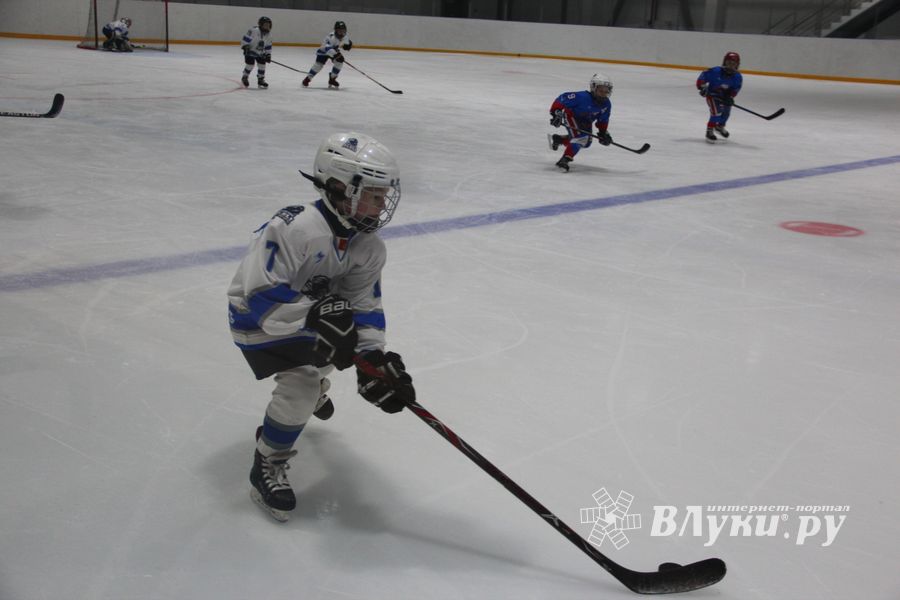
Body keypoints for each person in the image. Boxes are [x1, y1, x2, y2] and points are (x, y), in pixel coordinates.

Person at [227, 132, 415, 522]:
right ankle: (268, 461)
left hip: (308, 318)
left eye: (384, 196)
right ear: (339, 187)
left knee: (341, 340)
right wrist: (317, 317)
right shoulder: (294, 226)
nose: (382, 205)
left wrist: (373, 358)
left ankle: (313, 390)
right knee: (302, 384)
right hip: (257, 322)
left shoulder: (368, 247)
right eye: (374, 195)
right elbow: (261, 297)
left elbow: (364, 308)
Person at [547, 73, 614, 172]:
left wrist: (603, 133)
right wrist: (556, 113)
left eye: (606, 90)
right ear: (593, 88)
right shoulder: (581, 97)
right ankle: (564, 160)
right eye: (601, 90)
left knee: (586, 143)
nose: (604, 93)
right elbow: (561, 99)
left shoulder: (606, 104)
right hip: (571, 116)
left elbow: (603, 120)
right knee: (582, 138)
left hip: (586, 121)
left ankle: (560, 139)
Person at [697, 52, 743, 143]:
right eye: (728, 63)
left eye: (733, 64)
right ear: (724, 62)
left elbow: (736, 89)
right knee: (716, 112)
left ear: (737, 65)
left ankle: (719, 126)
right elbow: (702, 77)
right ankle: (709, 130)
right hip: (712, 96)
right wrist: (702, 87)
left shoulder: (738, 77)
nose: (730, 66)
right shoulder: (715, 71)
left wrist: (730, 97)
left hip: (724, 97)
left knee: (726, 112)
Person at [302, 21, 353, 89]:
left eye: (343, 30)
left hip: (334, 50)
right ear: (336, 30)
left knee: (339, 62)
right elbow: (328, 49)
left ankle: (332, 79)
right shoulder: (331, 37)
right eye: (339, 31)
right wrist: (337, 55)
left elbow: (345, 43)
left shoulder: (345, 36)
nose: (341, 32)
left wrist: (347, 46)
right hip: (323, 51)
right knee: (318, 65)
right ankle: (308, 79)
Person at [241, 16, 273, 89]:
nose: (267, 26)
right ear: (261, 24)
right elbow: (245, 39)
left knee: (262, 65)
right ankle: (245, 76)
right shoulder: (254, 30)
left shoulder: (269, 35)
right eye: (265, 25)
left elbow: (268, 46)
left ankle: (260, 79)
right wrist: (245, 47)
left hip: (260, 53)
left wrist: (268, 54)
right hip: (250, 51)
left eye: (268, 25)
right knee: (250, 65)